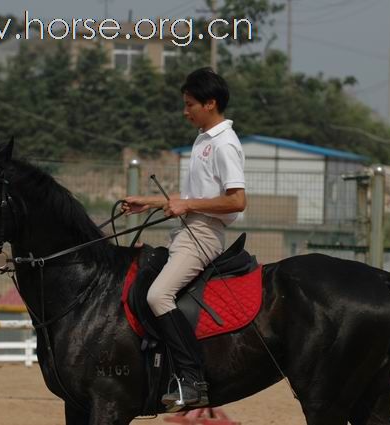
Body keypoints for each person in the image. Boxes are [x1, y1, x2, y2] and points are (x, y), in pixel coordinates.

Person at [121, 67, 246, 409]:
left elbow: (237, 200)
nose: (185, 110)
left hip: (204, 234)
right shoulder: (203, 140)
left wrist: (186, 204)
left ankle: (192, 381)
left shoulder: (224, 144)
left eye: (190, 104)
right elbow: (190, 197)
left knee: (159, 295)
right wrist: (147, 202)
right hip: (188, 229)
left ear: (210, 103)